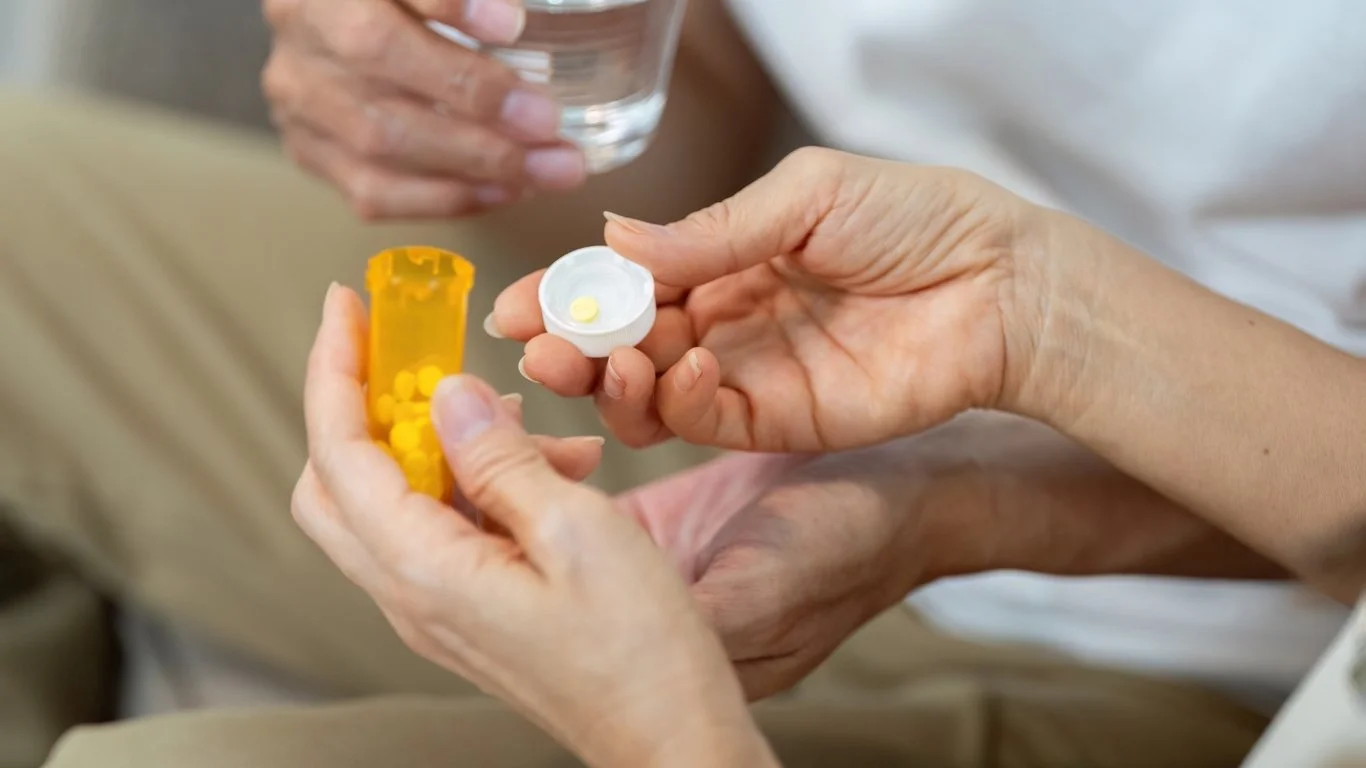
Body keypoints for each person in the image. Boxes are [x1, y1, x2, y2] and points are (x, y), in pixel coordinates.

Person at [6, 0, 1362, 765]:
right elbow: (685, 89)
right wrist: (487, 101)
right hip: (824, 382)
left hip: (1247, 641)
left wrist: (1024, 380)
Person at [284, 147, 1366, 766]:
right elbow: (688, 114)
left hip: (1234, 666)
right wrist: (1005, 349)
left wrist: (662, 731)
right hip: (875, 383)